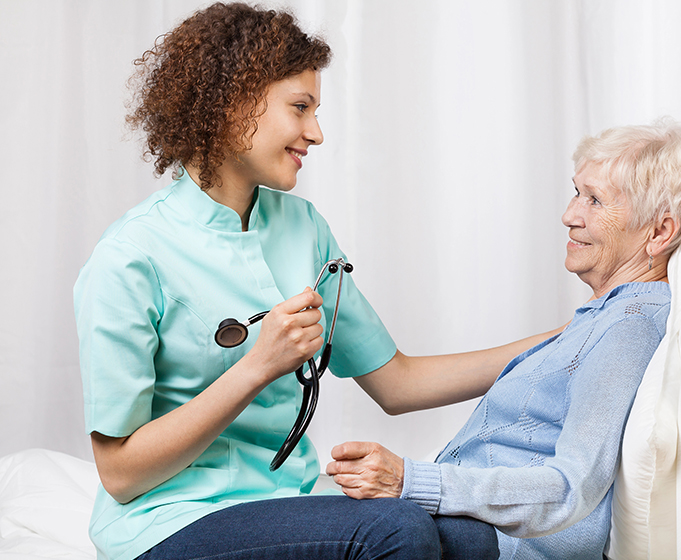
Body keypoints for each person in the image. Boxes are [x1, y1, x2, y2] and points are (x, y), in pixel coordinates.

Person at [74, 3, 556, 560]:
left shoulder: (303, 229)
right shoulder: (130, 257)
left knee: (474, 541)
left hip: (286, 500)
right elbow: (119, 474)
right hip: (171, 520)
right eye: (300, 108)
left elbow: (397, 383)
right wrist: (257, 366)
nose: (317, 133)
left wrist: (564, 341)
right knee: (397, 531)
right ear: (232, 102)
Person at [326, 120, 681, 559]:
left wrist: (410, 480)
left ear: (660, 233)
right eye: (577, 193)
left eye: (595, 200)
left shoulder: (629, 324)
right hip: (475, 528)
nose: (571, 215)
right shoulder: (605, 317)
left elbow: (572, 487)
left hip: (505, 543)